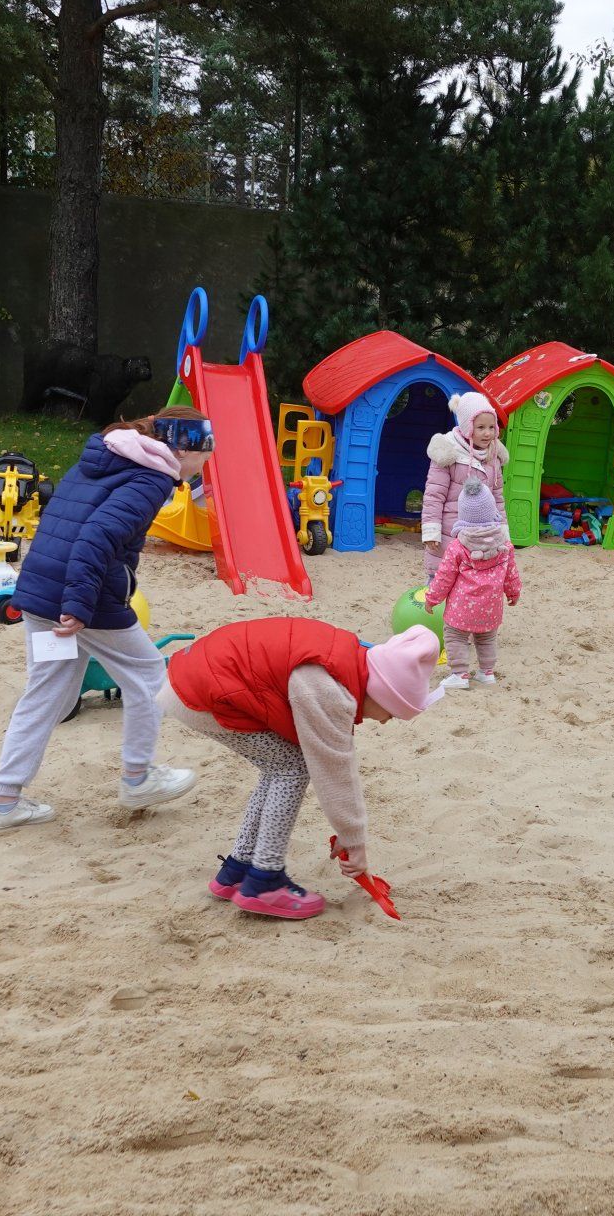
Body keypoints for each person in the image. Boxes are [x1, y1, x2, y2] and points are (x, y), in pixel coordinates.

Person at [0, 408, 214, 837]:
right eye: (206, 454)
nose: (206, 464)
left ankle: (4, 803)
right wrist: (79, 607)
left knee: (46, 692)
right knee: (149, 676)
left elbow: (62, 525)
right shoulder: (150, 478)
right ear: (184, 448)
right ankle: (138, 778)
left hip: (43, 587)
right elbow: (96, 538)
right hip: (85, 597)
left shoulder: (104, 456)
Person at [160, 618, 445, 919]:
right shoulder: (328, 689)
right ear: (381, 693)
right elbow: (334, 771)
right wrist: (354, 840)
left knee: (280, 766)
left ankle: (238, 870)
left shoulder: (347, 661)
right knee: (292, 767)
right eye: (392, 712)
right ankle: (264, 881)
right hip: (202, 690)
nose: (387, 721)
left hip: (196, 675)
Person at [425, 477, 520, 688]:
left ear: (463, 514)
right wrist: (513, 593)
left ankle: (459, 674)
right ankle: (486, 673)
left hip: (461, 608)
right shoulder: (505, 544)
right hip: (491, 607)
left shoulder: (458, 546)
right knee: (486, 639)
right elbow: (511, 573)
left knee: (455, 636)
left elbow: (444, 577)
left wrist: (432, 598)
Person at [422, 391, 507, 581]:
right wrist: (431, 531)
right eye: (481, 427)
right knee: (441, 579)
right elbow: (434, 496)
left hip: (482, 537)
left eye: (492, 427)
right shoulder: (448, 453)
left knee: (471, 585)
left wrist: (503, 532)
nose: (488, 433)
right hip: (450, 533)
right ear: (468, 427)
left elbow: (498, 499)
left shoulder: (494, 457)